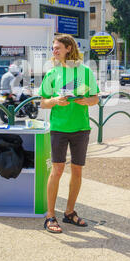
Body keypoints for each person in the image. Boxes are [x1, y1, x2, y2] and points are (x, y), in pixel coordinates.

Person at [39, 34, 99, 233]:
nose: (54, 51)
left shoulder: (86, 72)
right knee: (56, 170)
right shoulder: (52, 74)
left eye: (57, 48)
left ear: (68, 48)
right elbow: (43, 102)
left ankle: (69, 212)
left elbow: (95, 98)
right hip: (59, 128)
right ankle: (50, 216)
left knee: (77, 171)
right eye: (53, 48)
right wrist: (56, 101)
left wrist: (86, 100)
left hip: (81, 127)